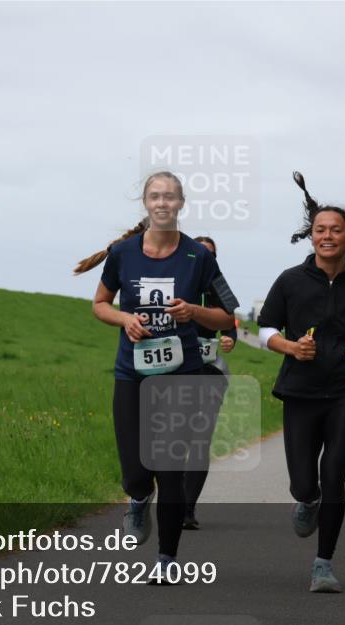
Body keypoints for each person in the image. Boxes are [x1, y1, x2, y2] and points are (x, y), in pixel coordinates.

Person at [74, 171, 233, 582]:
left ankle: (167, 559)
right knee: (135, 472)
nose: (162, 203)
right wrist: (125, 318)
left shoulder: (199, 256)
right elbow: (100, 304)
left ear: (181, 203)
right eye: (155, 196)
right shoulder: (124, 253)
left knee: (170, 466)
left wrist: (194, 312)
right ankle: (139, 497)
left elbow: (226, 315)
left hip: (183, 374)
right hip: (133, 373)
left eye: (170, 197)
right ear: (145, 203)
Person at [257, 171, 345, 593]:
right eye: (320, 229)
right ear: (311, 236)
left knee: (334, 474)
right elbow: (265, 328)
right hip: (299, 391)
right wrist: (289, 347)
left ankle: (323, 565)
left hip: (344, 393)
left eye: (336, 229)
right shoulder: (289, 281)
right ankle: (307, 499)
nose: (328, 236)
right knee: (305, 482)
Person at [183, 236, 238, 529]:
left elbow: (231, 323)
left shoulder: (220, 284)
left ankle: (187, 509)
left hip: (209, 370)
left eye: (211, 254)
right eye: (199, 252)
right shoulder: (174, 279)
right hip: (174, 369)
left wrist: (230, 338)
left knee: (199, 439)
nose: (205, 257)